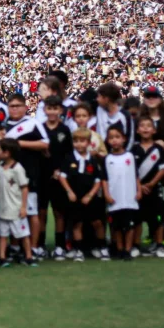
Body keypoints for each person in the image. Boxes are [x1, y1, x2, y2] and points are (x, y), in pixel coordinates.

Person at [4, 96, 49, 258]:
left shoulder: (33, 123)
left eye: (18, 106)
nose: (14, 109)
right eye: (12, 106)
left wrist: (19, 144)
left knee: (31, 212)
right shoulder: (4, 125)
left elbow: (45, 143)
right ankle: (15, 247)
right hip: (7, 175)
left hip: (29, 174)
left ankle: (34, 247)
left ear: (25, 107)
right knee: (11, 212)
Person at [59, 129, 108, 262]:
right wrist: (69, 191)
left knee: (97, 222)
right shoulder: (69, 158)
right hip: (75, 197)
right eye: (76, 141)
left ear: (88, 143)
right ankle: (78, 251)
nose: (79, 144)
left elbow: (98, 180)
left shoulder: (92, 160)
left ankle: (102, 247)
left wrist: (90, 195)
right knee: (77, 224)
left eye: (82, 141)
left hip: (91, 198)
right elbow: (62, 177)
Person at [39, 95, 72, 261]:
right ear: (44, 110)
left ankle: (60, 246)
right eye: (49, 108)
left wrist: (61, 170)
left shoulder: (65, 130)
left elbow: (68, 154)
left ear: (60, 110)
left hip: (59, 177)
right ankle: (40, 245)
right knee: (41, 212)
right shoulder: (39, 128)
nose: (52, 112)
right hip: (42, 177)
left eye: (55, 108)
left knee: (59, 212)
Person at [131, 116, 164, 258]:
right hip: (138, 190)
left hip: (155, 189)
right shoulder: (134, 149)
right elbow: (131, 170)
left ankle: (159, 245)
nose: (146, 128)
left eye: (149, 126)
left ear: (154, 130)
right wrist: (139, 185)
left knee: (157, 219)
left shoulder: (158, 149)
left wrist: (152, 183)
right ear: (138, 130)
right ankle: (135, 245)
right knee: (137, 218)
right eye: (142, 126)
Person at [102, 127, 141, 261]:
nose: (115, 140)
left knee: (130, 226)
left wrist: (139, 190)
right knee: (117, 227)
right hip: (115, 199)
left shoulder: (130, 156)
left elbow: (136, 175)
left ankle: (128, 249)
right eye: (111, 138)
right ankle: (119, 249)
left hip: (129, 198)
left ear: (124, 139)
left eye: (117, 137)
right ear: (108, 141)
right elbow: (104, 179)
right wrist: (106, 194)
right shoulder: (107, 158)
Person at [0, 138, 34, 266]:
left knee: (23, 234)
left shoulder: (17, 168)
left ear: (8, 152)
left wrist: (23, 207)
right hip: (3, 208)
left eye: (0, 150)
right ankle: (2, 257)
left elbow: (24, 187)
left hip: (15, 208)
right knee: (3, 235)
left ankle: (28, 256)